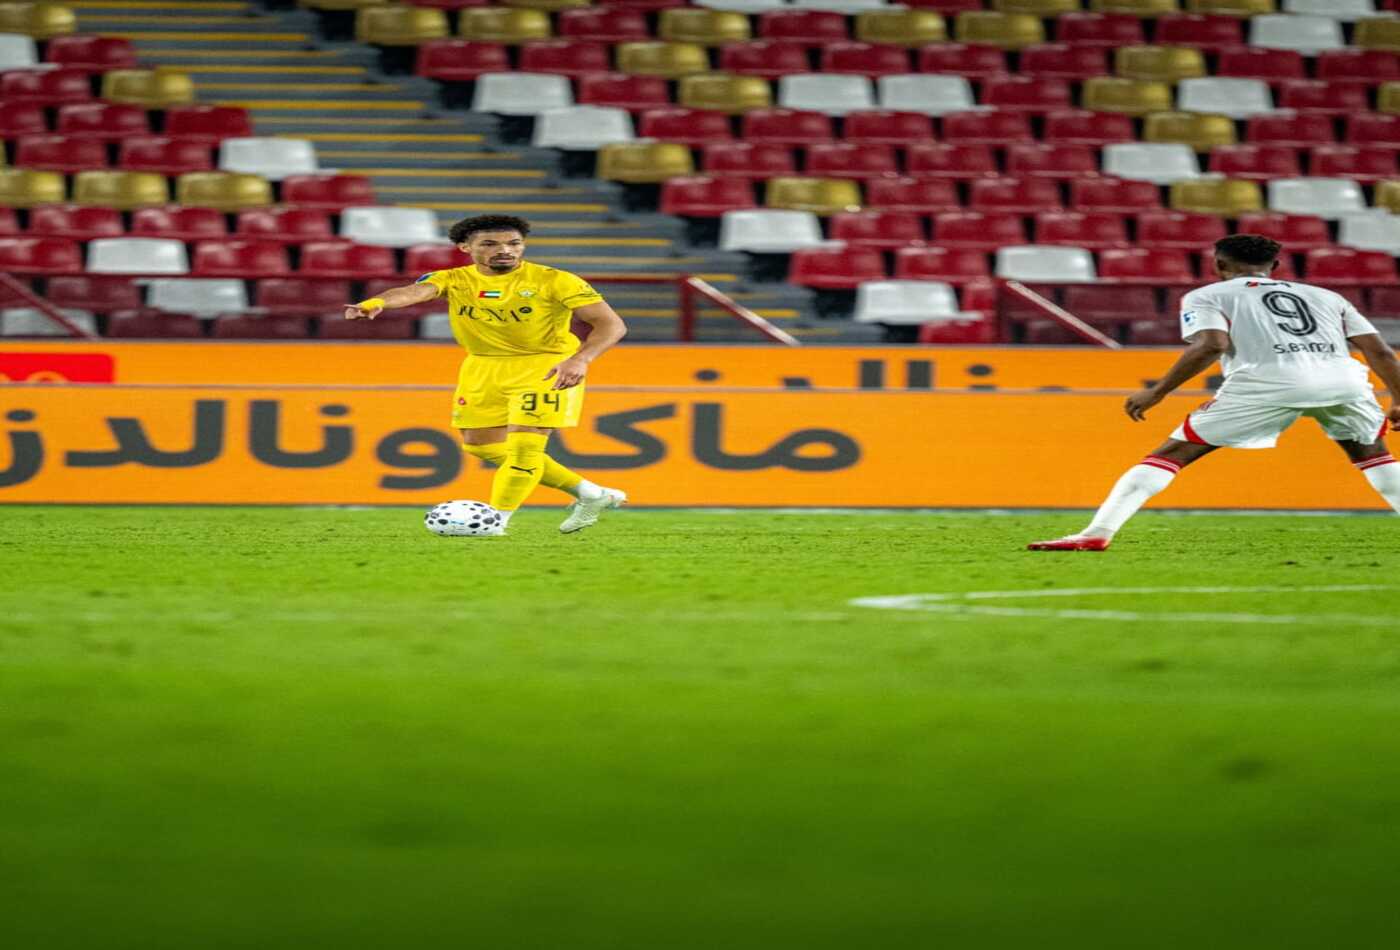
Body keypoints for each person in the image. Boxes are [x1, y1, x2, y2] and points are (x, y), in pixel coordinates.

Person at [1030, 234, 1400, 551]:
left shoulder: (1208, 295)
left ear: (1218, 264)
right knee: (1374, 456)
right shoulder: (1327, 296)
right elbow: (1380, 351)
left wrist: (1157, 392)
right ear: (1275, 265)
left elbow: (1211, 344)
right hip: (1344, 381)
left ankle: (1097, 533)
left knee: (1171, 455)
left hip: (1267, 382)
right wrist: (1398, 399)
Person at [343, 214, 628, 536]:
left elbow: (611, 324)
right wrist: (376, 302)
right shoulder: (455, 279)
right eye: (490, 244)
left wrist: (581, 360)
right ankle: (591, 494)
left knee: (525, 450)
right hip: (483, 366)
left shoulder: (555, 280)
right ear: (465, 247)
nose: (505, 250)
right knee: (480, 446)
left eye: (514, 243)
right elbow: (412, 292)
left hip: (545, 366)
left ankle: (496, 522)